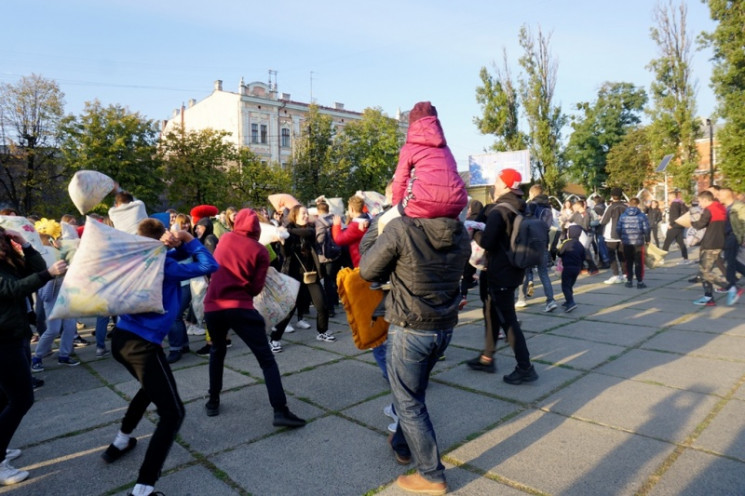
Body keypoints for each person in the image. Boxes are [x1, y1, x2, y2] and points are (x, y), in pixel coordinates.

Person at [359, 188, 470, 496]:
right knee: (413, 392)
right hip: (443, 326)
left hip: (411, 326)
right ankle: (401, 442)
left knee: (409, 402)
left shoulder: (400, 227)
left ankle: (432, 475)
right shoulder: (459, 231)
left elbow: (367, 269)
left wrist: (379, 222)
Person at [102, 219, 218, 496]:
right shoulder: (163, 264)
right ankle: (143, 489)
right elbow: (209, 266)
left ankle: (120, 441)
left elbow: (169, 260)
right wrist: (190, 239)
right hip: (143, 345)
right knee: (173, 413)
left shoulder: (140, 257)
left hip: (122, 339)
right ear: (161, 237)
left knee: (149, 390)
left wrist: (174, 247)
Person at [202, 208, 306, 428]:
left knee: (217, 352)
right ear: (257, 228)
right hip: (240, 306)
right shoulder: (260, 250)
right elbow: (257, 287)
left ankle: (213, 400)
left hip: (213, 306)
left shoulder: (226, 238)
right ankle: (280, 410)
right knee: (266, 360)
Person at [0, 227, 67, 485]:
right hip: (3, 341)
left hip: (13, 335)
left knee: (4, 398)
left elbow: (32, 269)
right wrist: (47, 273)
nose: (6, 244)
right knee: (21, 399)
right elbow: (11, 289)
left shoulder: (7, 260)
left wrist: (26, 245)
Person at [467, 168, 539, 385]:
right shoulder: (520, 206)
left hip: (501, 271)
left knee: (508, 320)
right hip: (512, 268)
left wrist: (476, 230)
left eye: (498, 180)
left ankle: (525, 367)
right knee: (490, 311)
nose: (495, 183)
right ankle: (487, 357)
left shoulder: (499, 211)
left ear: (507, 185)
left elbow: (487, 241)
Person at [269, 205, 333, 352]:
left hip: (311, 274)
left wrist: (287, 232)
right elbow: (285, 254)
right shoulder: (287, 231)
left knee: (322, 305)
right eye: (303, 213)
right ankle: (274, 339)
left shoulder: (309, 228)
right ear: (295, 215)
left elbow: (309, 233)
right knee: (289, 309)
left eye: (306, 213)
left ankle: (322, 332)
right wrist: (283, 241)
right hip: (294, 275)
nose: (306, 215)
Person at [391, 101, 468, 220]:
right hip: (456, 202)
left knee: (382, 222)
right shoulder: (445, 149)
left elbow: (399, 182)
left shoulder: (409, 148)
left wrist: (396, 209)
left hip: (423, 201)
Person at [519, 184, 557, 312]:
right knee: (543, 274)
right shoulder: (547, 208)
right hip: (543, 243)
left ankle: (521, 298)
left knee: (525, 272)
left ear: (532, 194)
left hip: (529, 245)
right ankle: (551, 300)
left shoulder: (530, 207)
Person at [691, 190, 728, 306]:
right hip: (720, 242)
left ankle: (730, 287)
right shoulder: (721, 207)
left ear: (705, 200)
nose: (700, 204)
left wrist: (690, 222)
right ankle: (708, 297)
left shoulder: (709, 210)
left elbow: (699, 225)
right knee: (705, 270)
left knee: (704, 272)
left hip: (710, 243)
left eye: (700, 202)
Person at [718, 187, 745, 305]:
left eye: (720, 195)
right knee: (731, 261)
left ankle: (732, 286)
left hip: (734, 236)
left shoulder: (738, 207)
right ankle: (732, 286)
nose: (718, 197)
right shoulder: (725, 208)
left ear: (726, 196)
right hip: (727, 237)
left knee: (730, 262)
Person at [616, 197, 650, 288]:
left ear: (629, 204)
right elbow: (646, 229)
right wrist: (647, 239)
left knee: (628, 261)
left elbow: (618, 229)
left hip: (626, 241)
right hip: (638, 241)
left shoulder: (623, 216)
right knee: (639, 262)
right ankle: (639, 281)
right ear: (638, 204)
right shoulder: (642, 216)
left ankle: (629, 280)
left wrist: (621, 238)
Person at [601, 188, 628, 284]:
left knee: (612, 256)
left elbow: (604, 221)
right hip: (624, 235)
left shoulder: (611, 207)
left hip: (612, 235)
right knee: (622, 256)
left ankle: (616, 275)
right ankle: (625, 274)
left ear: (612, 196)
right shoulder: (626, 207)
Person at [558, 225, 585, 313]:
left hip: (568, 268)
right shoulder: (580, 244)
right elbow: (583, 256)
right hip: (577, 269)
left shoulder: (567, 243)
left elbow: (560, 253)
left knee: (565, 286)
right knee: (569, 285)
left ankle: (571, 302)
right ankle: (568, 301)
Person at [662, 190, 692, 264]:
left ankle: (661, 259)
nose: (668, 198)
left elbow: (674, 216)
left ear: (672, 196)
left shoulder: (674, 204)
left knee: (667, 242)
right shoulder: (681, 203)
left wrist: (671, 224)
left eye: (669, 196)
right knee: (681, 242)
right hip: (681, 225)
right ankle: (685, 259)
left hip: (674, 226)